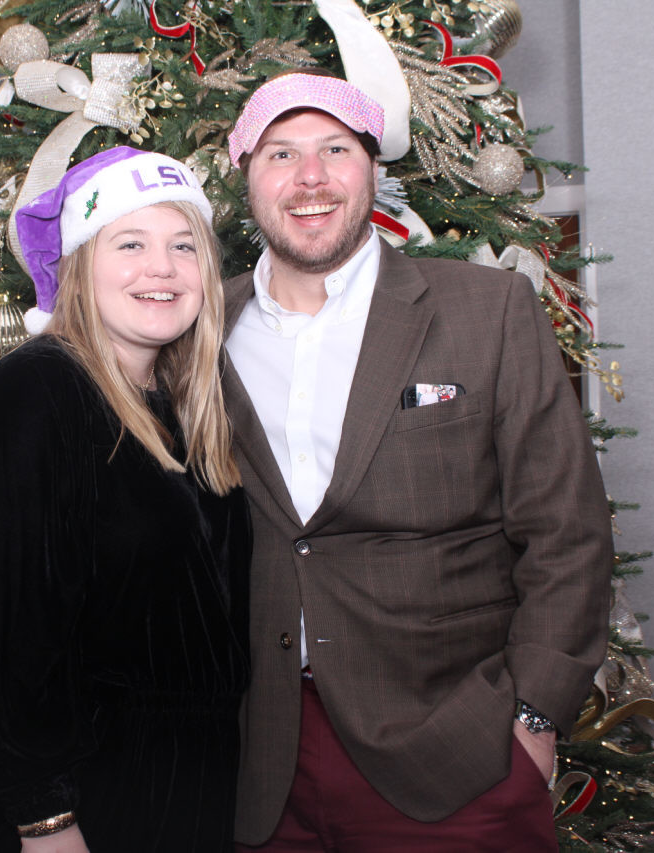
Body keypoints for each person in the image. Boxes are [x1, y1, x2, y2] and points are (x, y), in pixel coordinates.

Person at [222, 71, 614, 851]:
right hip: (255, 759)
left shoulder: (487, 310)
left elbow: (566, 530)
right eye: (281, 153)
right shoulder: (202, 324)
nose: (310, 177)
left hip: (455, 750)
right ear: (246, 177)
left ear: (373, 168)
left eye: (336, 149)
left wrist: (533, 717)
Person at [0, 147, 251, 852]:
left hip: (177, 793)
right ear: (80, 264)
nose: (161, 268)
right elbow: (5, 628)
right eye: (130, 244)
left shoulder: (184, 405)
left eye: (183, 246)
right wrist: (44, 817)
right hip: (76, 805)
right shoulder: (37, 391)